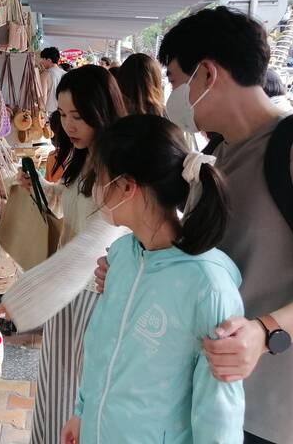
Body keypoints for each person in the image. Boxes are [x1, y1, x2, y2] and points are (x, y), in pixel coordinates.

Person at [97, 6, 293, 443]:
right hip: (207, 398)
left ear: (207, 74)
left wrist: (266, 332)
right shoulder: (216, 156)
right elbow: (200, 258)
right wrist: (136, 272)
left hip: (278, 411)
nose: (172, 94)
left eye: (174, 80)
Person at [61, 114, 245, 444]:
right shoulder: (121, 256)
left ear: (127, 187)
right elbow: (102, 346)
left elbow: (219, 409)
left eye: (100, 178)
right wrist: (82, 413)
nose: (96, 191)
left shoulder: (208, 286)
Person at [0, 66, 128, 444]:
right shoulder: (87, 155)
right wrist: (44, 188)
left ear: (102, 111)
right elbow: (74, 205)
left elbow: (93, 244)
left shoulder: (116, 166)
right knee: (55, 392)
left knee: (74, 399)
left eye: (78, 116)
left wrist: (22, 298)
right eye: (64, 115)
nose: (68, 125)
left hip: (89, 297)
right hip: (66, 294)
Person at [39, 47, 67, 116]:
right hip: (63, 113)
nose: (41, 62)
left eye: (43, 59)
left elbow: (43, 97)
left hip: (49, 113)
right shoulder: (65, 74)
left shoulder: (45, 74)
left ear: (49, 60)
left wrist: (40, 111)